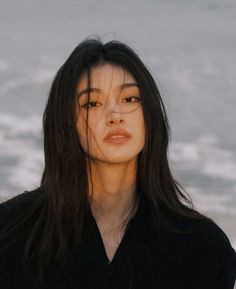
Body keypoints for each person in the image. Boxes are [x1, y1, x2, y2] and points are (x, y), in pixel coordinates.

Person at [0, 36, 235, 289]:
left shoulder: (204, 247)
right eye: (92, 103)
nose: (115, 115)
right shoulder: (11, 232)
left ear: (150, 114)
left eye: (130, 99)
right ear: (66, 122)